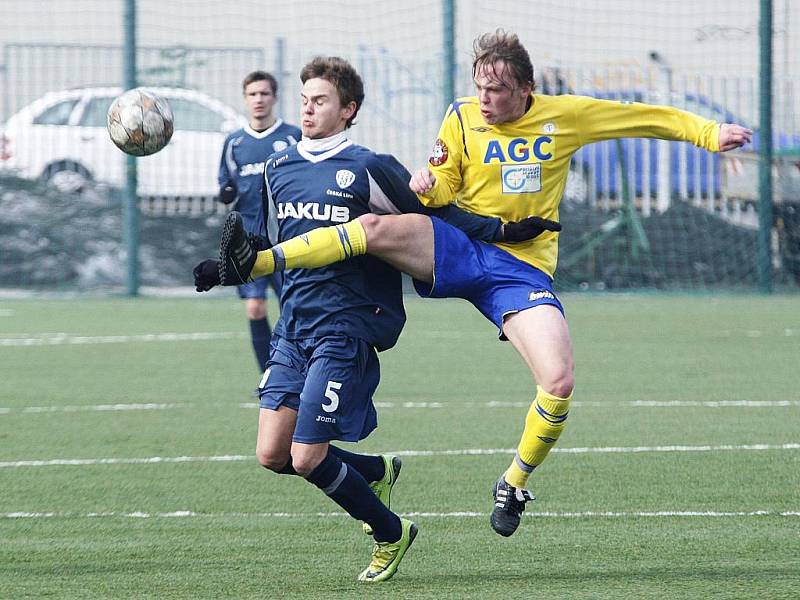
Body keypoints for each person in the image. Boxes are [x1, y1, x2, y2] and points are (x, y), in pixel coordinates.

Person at [212, 30, 753, 539]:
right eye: (479, 88)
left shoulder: (566, 116)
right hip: (457, 245)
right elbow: (443, 182)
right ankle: (259, 266)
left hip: (518, 270)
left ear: (525, 89)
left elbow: (643, 119)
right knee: (374, 227)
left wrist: (709, 134)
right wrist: (428, 181)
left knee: (558, 380)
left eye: (497, 90)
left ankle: (514, 483)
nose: (485, 99)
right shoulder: (462, 117)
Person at [194, 56, 556, 580]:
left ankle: (391, 533)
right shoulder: (279, 168)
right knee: (273, 454)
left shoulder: (369, 166)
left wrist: (501, 231)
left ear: (349, 110)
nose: (309, 109)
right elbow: (266, 244)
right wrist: (224, 267)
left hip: (348, 323)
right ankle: (376, 471)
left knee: (307, 457)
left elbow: (436, 216)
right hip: (294, 323)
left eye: (320, 101)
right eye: (305, 100)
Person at [216, 70, 300, 374]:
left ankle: (299, 369)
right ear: (245, 99)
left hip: (286, 238)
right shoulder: (234, 142)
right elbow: (225, 185)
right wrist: (225, 193)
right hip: (248, 240)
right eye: (253, 94)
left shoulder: (292, 137)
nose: (259, 100)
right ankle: (269, 375)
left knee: (294, 310)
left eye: (264, 93)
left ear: (274, 98)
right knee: (255, 307)